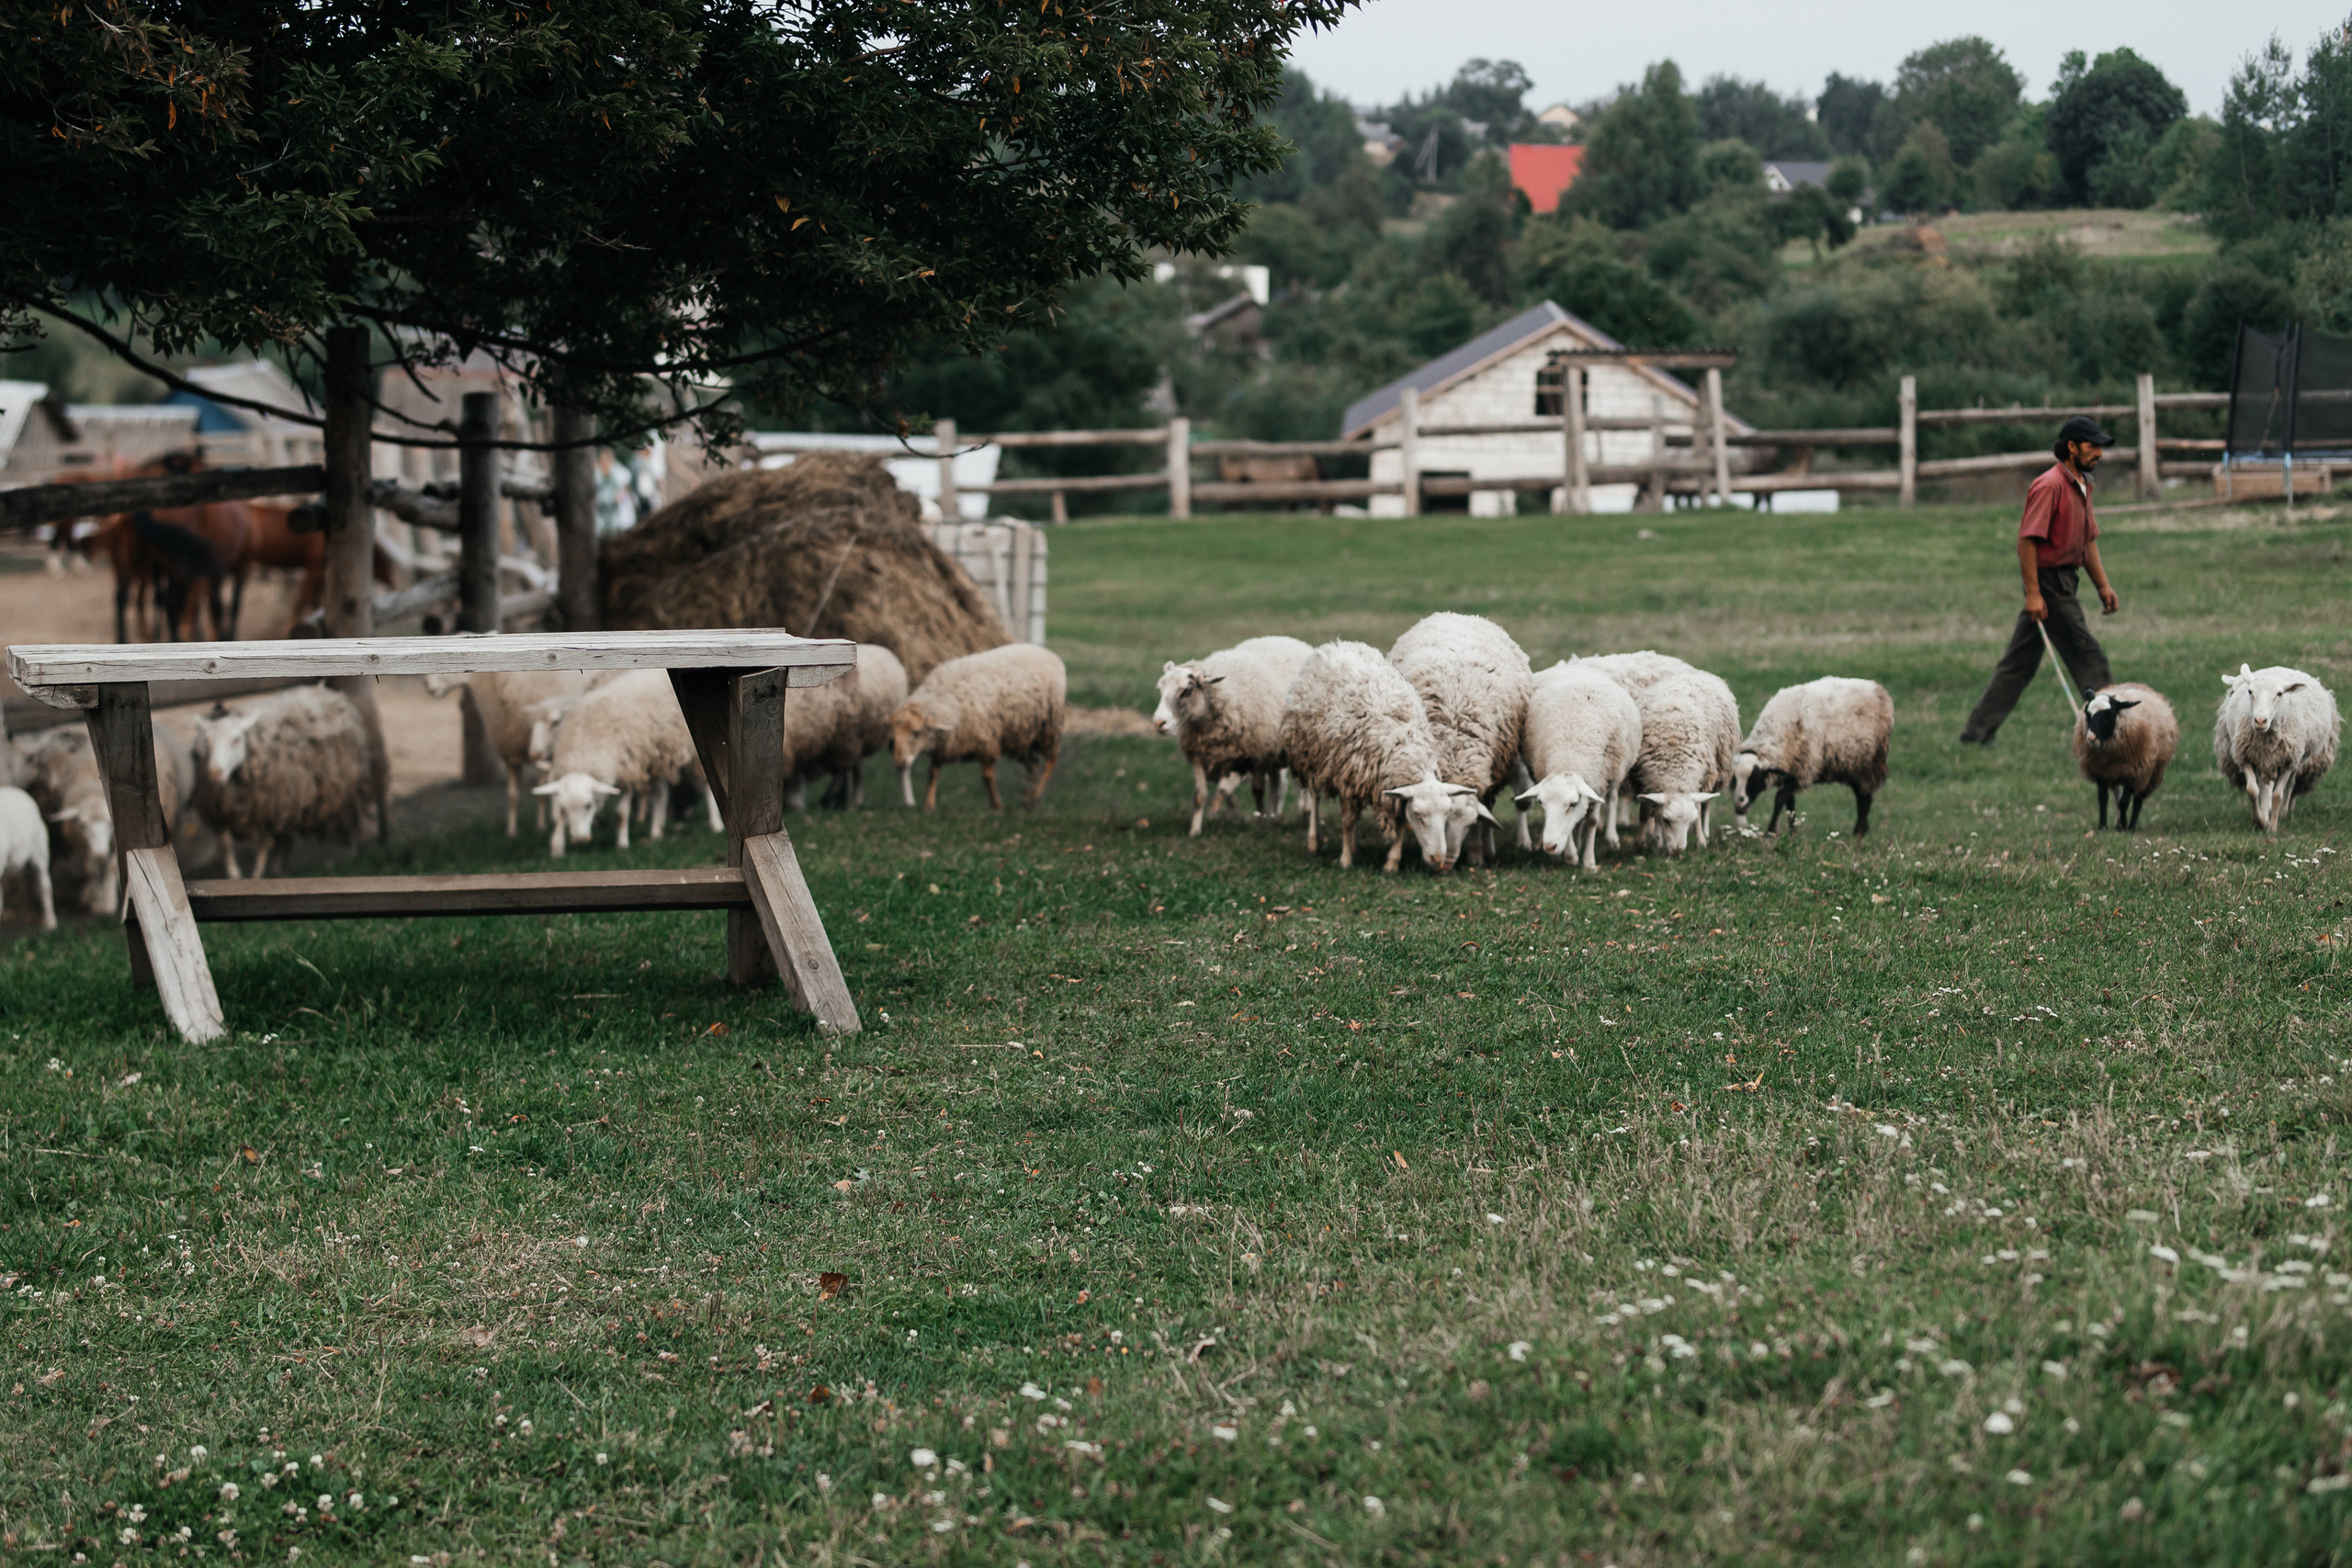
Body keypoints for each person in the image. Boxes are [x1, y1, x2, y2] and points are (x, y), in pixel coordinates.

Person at [1958, 414, 2120, 744]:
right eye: (2093, 446)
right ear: (2071, 447)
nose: (2100, 453)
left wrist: (2102, 586)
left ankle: (1976, 733)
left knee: (2018, 664)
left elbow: (2088, 541)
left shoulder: (2084, 484)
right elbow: (2028, 541)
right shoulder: (2049, 486)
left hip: (2066, 580)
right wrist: (2034, 593)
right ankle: (2114, 729)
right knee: (2088, 655)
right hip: (2049, 584)